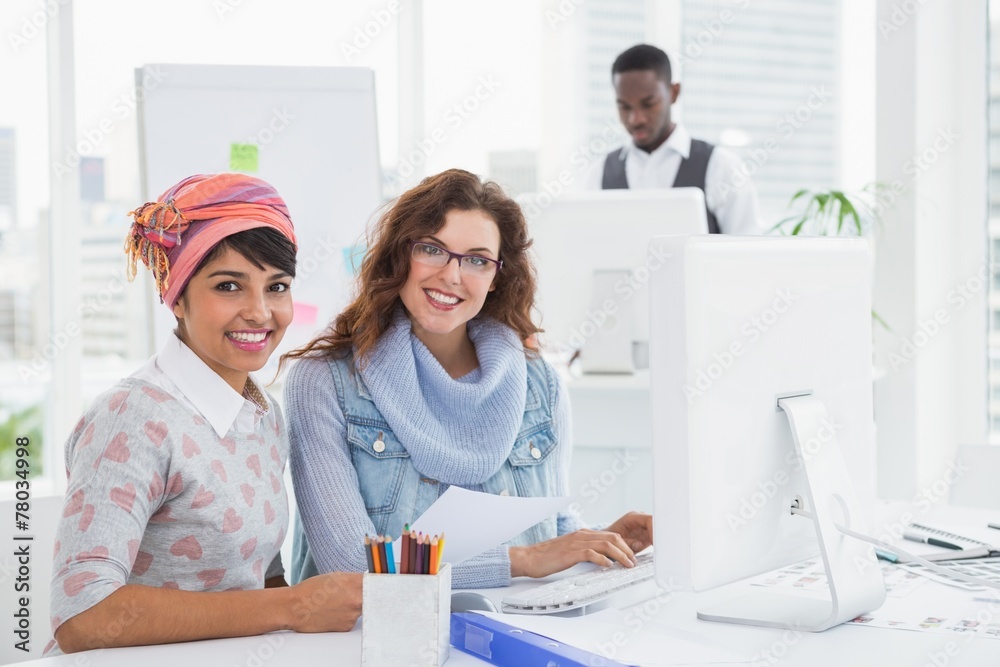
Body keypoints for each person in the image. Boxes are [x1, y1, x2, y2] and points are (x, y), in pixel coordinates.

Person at [283, 168, 653, 589]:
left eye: (477, 260)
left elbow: (548, 531)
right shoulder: (324, 383)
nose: (452, 275)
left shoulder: (539, 383)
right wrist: (522, 560)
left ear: (497, 277)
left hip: (513, 635)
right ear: (398, 255)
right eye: (432, 249)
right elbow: (351, 568)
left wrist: (601, 540)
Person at [47, 174, 361, 655]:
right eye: (229, 286)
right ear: (178, 297)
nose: (260, 312)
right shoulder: (132, 416)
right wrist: (294, 608)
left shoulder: (262, 413)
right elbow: (82, 615)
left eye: (276, 287)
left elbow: (261, 575)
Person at [587, 43, 764, 235]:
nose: (635, 119)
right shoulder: (599, 174)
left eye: (648, 104)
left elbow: (746, 252)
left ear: (674, 93)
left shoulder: (721, 166)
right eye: (624, 107)